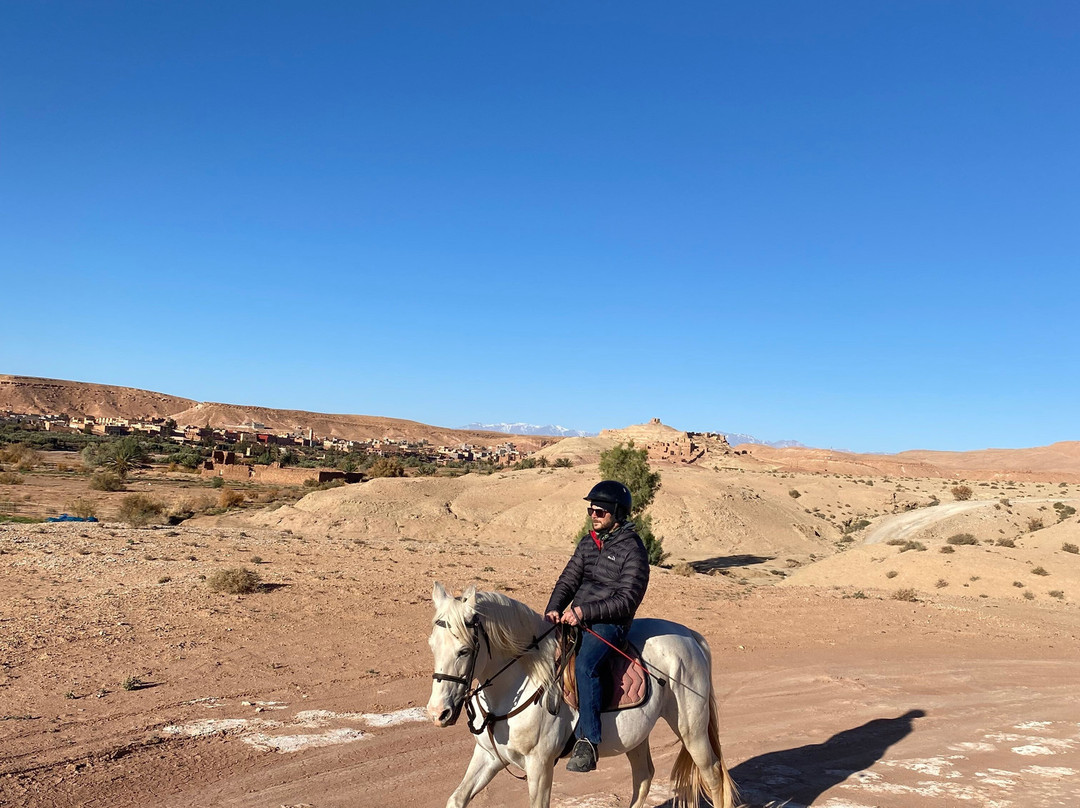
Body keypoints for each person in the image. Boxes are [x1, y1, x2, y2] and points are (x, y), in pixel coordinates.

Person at [544, 480, 650, 773]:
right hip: (577, 617)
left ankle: (588, 741)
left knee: (585, 665)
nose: (594, 515)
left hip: (610, 625)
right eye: (591, 510)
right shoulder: (588, 542)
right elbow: (568, 579)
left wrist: (583, 611)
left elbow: (627, 600)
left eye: (600, 511)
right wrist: (554, 607)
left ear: (617, 513)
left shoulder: (633, 550)